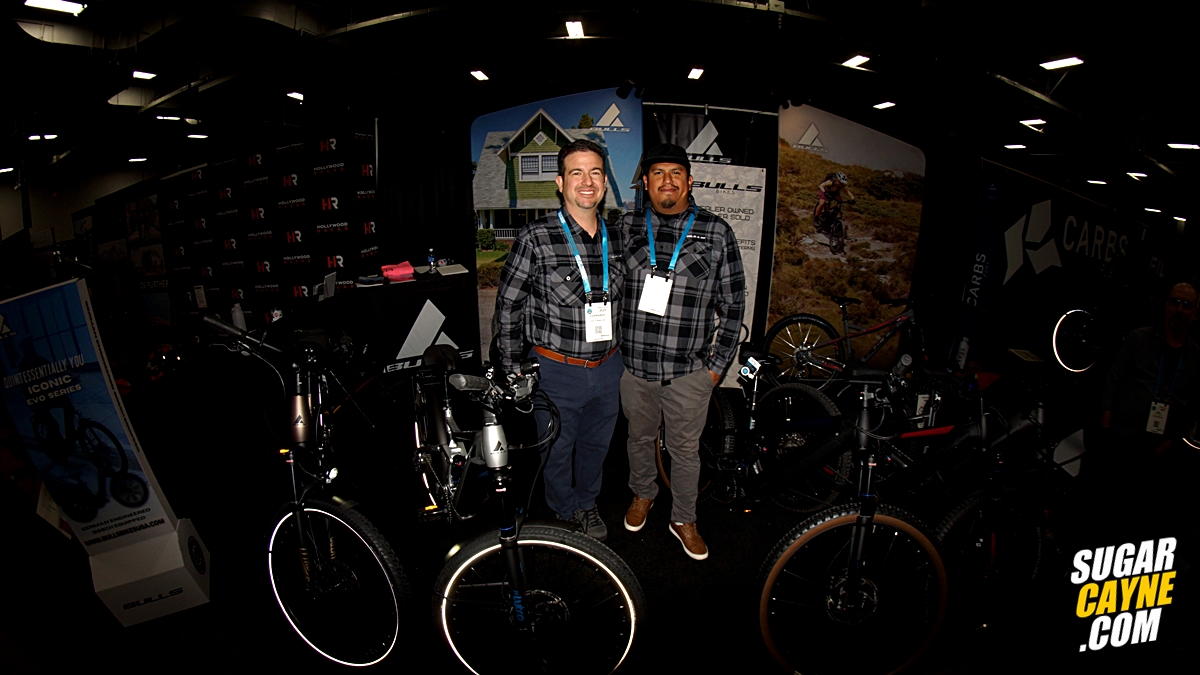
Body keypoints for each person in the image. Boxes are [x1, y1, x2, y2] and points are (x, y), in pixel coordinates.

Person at [619, 143, 745, 560]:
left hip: (689, 371)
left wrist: (716, 368)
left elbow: (733, 305)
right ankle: (643, 493)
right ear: (646, 183)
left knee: (686, 451)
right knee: (638, 438)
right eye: (658, 173)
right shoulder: (626, 226)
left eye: (676, 173)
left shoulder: (716, 231)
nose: (667, 181)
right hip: (635, 367)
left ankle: (684, 518)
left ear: (689, 181)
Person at [493, 139, 624, 540]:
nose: (587, 181)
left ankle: (587, 503)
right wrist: (513, 368)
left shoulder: (618, 236)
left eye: (596, 172)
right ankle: (563, 511)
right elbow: (508, 306)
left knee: (596, 446)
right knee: (556, 448)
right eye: (576, 173)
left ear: (605, 181)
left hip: (608, 367)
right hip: (556, 370)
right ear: (560, 182)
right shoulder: (536, 237)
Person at [1095, 282, 1199, 523]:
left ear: (1195, 313)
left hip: (1159, 453)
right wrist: (1106, 429)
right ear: (1165, 304)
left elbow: (1194, 407)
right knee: (1105, 510)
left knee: (1140, 518)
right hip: (1121, 439)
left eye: (1186, 305)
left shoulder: (1196, 356)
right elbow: (1113, 380)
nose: (1179, 309)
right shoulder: (1139, 338)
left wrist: (1169, 444)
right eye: (1174, 302)